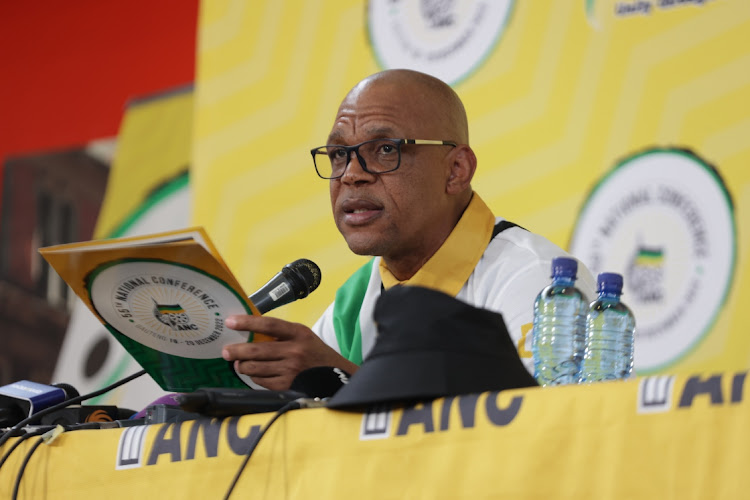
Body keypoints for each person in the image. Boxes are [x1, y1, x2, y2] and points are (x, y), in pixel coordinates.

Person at [222, 69, 596, 391]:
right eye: (339, 154)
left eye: (385, 149)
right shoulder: (355, 302)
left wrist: (338, 378)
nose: (351, 174)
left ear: (456, 171)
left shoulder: (540, 283)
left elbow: (545, 430)